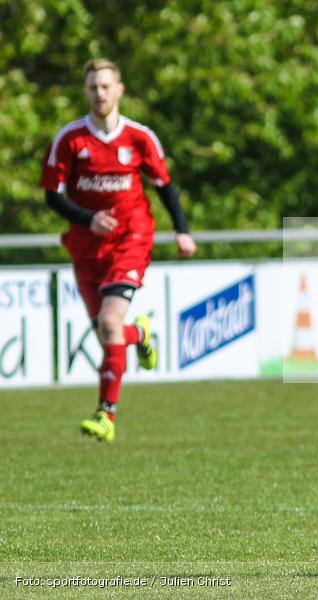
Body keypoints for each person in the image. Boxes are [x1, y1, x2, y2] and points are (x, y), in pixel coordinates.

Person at [41, 58, 196, 442]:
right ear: (85, 92)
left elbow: (164, 185)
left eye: (106, 86)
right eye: (93, 87)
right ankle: (139, 334)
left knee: (109, 323)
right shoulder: (70, 139)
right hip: (86, 246)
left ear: (120, 90)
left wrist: (181, 231)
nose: (100, 94)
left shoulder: (140, 138)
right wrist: (88, 219)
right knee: (106, 333)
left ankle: (105, 415)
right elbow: (51, 196)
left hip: (131, 239)